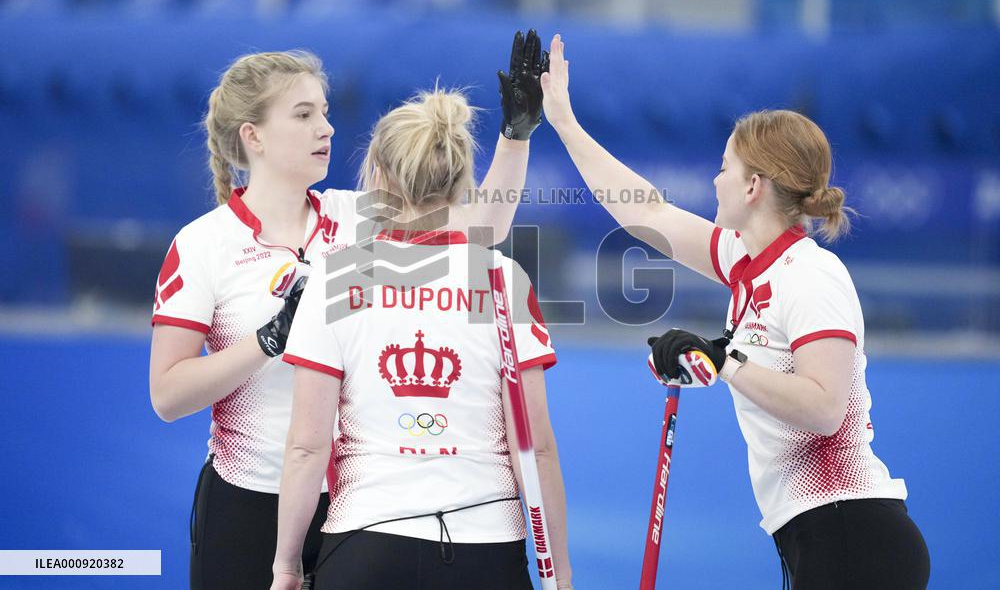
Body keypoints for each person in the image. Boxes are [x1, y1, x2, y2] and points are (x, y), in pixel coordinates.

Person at [150, 32, 546, 589]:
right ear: (253, 136)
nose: (327, 128)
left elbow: (482, 230)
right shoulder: (202, 244)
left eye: (327, 112)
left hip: (350, 505)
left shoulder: (362, 214)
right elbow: (168, 395)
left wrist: (515, 138)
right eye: (305, 114)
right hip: (249, 502)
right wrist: (267, 341)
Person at [539, 34, 929, 589]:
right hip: (814, 536)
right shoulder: (747, 264)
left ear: (753, 185)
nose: (713, 179)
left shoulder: (811, 275)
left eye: (723, 166)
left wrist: (724, 362)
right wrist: (565, 125)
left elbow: (824, 408)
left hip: (853, 533)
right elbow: (646, 211)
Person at [268, 87, 572, 590]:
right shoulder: (502, 278)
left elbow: (306, 446)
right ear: (461, 180)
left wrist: (285, 565)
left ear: (379, 177)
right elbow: (536, 449)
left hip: (367, 541)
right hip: (486, 546)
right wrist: (560, 576)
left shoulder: (337, 278)